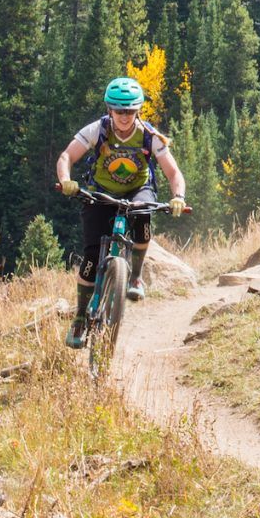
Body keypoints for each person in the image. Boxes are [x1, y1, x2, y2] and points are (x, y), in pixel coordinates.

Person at [55, 76, 188, 346]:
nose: (124, 116)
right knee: (92, 256)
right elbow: (66, 156)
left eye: (129, 110)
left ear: (137, 110)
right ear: (109, 110)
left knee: (142, 217)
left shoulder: (150, 136)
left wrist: (178, 196)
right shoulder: (97, 130)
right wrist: (66, 180)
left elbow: (173, 172)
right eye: (119, 110)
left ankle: (135, 277)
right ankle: (81, 317)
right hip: (101, 192)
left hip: (138, 190)